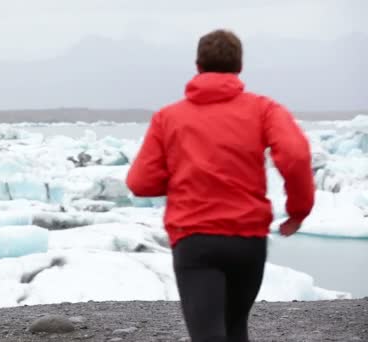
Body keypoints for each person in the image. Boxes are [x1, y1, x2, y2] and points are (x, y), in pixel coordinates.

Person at [126, 29, 315, 342]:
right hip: (247, 239)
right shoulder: (264, 109)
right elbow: (295, 155)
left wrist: (184, 179)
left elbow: (140, 182)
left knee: (209, 335)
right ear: (239, 66)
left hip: (194, 239)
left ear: (198, 65)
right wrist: (298, 211)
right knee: (235, 327)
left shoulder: (169, 117)